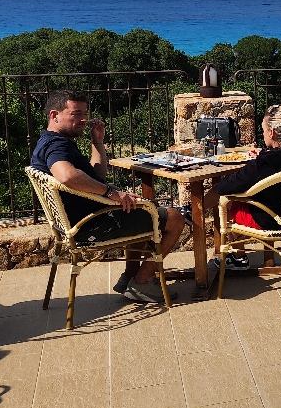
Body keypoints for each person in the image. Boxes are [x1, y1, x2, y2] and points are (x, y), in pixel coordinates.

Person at [30, 90, 185, 305]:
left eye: (85, 113)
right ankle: (142, 281)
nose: (84, 119)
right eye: (76, 113)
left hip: (81, 221)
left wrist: (97, 143)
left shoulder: (49, 141)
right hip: (92, 225)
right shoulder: (57, 145)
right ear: (54, 116)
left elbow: (97, 176)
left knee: (143, 207)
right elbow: (66, 176)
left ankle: (129, 277)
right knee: (175, 218)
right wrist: (112, 193)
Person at [202, 102, 281, 270]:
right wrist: (264, 152)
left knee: (228, 200)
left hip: (275, 220)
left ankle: (238, 257)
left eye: (263, 131)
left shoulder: (267, 163)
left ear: (271, 133)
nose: (263, 134)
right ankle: (191, 213)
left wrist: (260, 159)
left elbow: (226, 186)